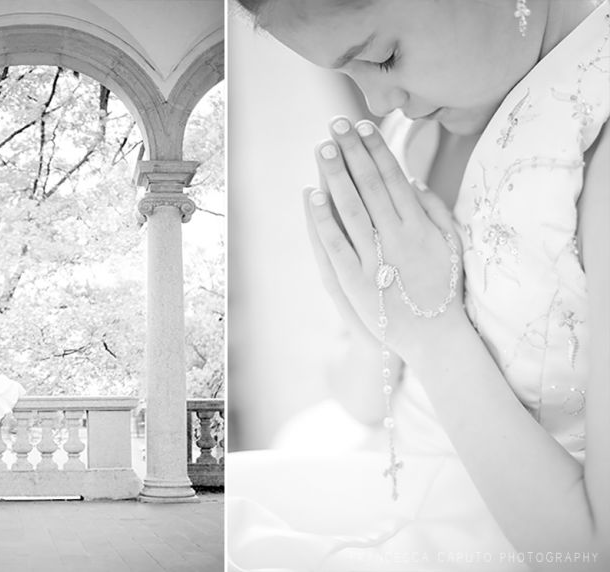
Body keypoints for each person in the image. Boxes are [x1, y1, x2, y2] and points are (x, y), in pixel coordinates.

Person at [229, 0, 609, 570]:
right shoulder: (417, 131)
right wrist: (369, 315)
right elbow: (363, 402)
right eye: (345, 72)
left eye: (384, 56)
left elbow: (592, 553)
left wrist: (432, 331)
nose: (379, 103)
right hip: (397, 476)